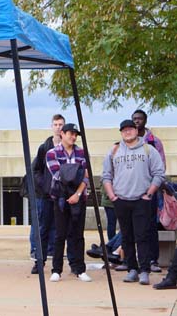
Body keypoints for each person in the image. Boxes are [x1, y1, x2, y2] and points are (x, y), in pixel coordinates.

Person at [102, 119, 165, 286]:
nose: (127, 132)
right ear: (121, 132)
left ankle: (144, 270)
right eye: (124, 130)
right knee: (126, 237)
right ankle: (132, 269)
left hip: (141, 200)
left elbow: (159, 173)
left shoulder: (148, 150)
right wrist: (112, 196)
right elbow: (106, 176)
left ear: (136, 131)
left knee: (142, 236)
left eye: (130, 129)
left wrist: (149, 193)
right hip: (121, 200)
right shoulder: (114, 151)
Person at [45, 123, 91, 282]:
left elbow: (85, 176)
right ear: (62, 134)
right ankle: (56, 269)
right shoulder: (52, 153)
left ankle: (79, 269)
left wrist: (78, 193)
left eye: (75, 134)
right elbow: (59, 175)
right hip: (61, 198)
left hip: (79, 197)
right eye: (70, 133)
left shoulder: (82, 152)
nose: (73, 137)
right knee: (60, 234)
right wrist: (74, 175)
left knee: (78, 235)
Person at [133, 109, 168, 273]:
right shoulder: (128, 141)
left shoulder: (154, 141)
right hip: (132, 191)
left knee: (151, 226)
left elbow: (161, 167)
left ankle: (153, 260)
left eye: (139, 119)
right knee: (133, 226)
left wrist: (152, 187)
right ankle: (133, 261)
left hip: (150, 191)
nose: (136, 121)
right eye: (134, 119)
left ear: (145, 121)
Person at [29, 114, 65, 274]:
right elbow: (35, 169)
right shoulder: (44, 147)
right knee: (42, 229)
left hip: (62, 195)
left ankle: (61, 264)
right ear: (52, 126)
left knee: (61, 230)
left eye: (61, 124)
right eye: (56, 124)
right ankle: (39, 261)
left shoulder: (69, 146)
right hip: (45, 196)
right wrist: (44, 185)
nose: (58, 127)